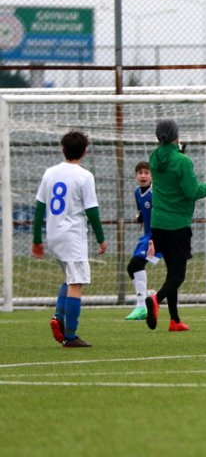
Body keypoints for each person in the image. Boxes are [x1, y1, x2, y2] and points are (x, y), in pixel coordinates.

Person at [145, 118, 206, 332]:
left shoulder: (154, 157)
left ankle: (174, 320)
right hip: (178, 224)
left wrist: (178, 151)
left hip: (158, 223)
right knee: (178, 275)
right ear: (176, 135)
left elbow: (167, 159)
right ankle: (156, 299)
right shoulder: (182, 161)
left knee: (170, 271)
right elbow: (192, 192)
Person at [30, 131, 107, 348]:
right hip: (72, 237)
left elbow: (39, 209)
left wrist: (37, 239)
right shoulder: (84, 176)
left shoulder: (50, 173)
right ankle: (70, 335)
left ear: (62, 149)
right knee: (76, 283)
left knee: (69, 278)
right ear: (85, 151)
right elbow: (92, 211)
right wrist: (101, 238)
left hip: (53, 235)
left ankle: (58, 319)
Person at [124, 161, 161, 320]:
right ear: (135, 176)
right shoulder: (137, 192)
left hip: (157, 235)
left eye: (147, 173)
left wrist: (154, 239)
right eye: (140, 173)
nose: (143, 176)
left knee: (135, 264)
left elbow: (159, 214)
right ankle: (146, 298)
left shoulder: (156, 192)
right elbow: (142, 212)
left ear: (152, 176)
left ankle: (142, 305)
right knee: (132, 268)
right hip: (146, 235)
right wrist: (140, 217)